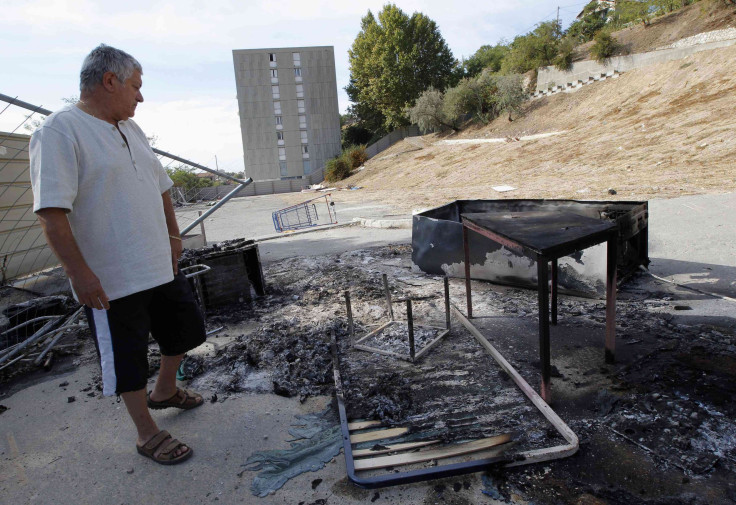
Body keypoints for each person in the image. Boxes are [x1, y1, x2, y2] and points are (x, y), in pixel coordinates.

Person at [30, 44, 206, 465]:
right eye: (135, 86)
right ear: (109, 81)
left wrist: (174, 237)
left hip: (158, 264)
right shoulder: (59, 131)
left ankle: (164, 390)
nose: (140, 97)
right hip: (112, 278)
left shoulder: (132, 129)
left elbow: (161, 186)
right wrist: (79, 274)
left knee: (185, 329)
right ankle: (147, 433)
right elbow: (52, 213)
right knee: (127, 358)